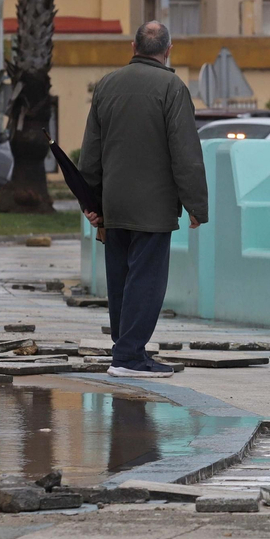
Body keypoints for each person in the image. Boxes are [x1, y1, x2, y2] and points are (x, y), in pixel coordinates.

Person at [80, 21, 209, 378]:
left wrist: (90, 203)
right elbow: (185, 153)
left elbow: (90, 153)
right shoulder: (172, 87)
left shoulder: (107, 86)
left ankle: (125, 351)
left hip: (114, 206)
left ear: (132, 47)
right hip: (153, 208)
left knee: (120, 281)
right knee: (146, 283)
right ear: (168, 50)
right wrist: (196, 205)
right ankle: (129, 357)